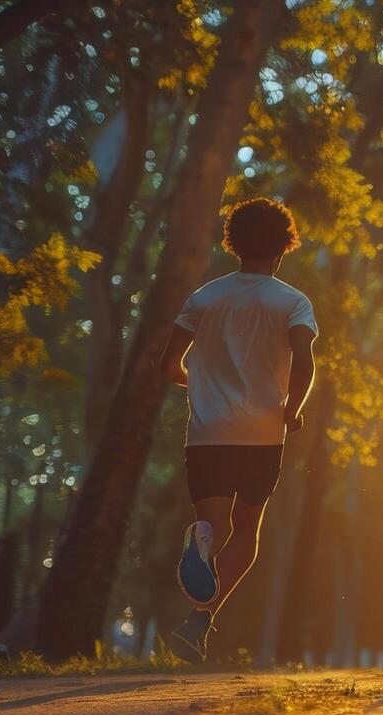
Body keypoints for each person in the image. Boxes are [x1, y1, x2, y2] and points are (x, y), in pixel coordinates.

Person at [160, 197, 317, 662]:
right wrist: (292, 409)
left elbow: (168, 363)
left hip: (208, 432)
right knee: (246, 538)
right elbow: (305, 362)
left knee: (214, 524)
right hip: (262, 434)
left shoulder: (205, 296)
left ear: (234, 243)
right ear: (284, 247)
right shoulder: (292, 302)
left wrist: (196, 380)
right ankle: (198, 621)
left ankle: (200, 541)